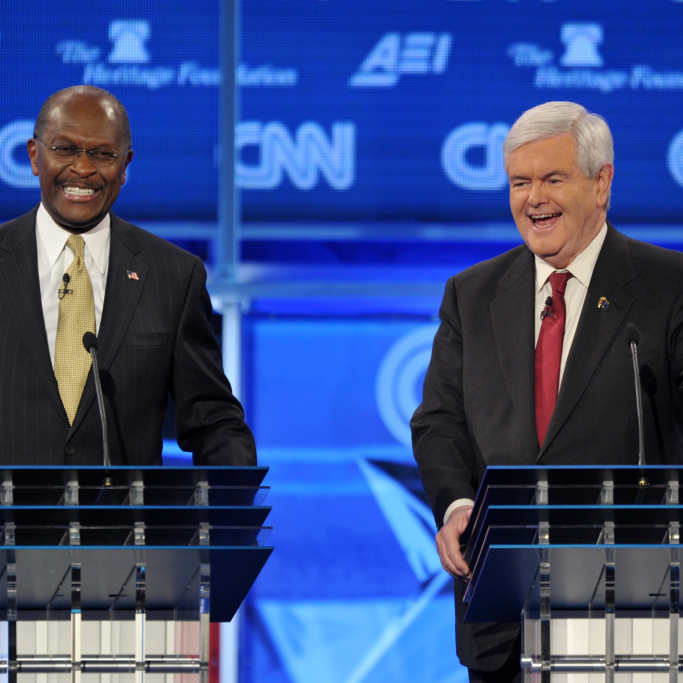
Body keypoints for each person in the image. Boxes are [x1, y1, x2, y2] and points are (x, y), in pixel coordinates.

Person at [411, 101, 683, 682]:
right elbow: (439, 421)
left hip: (630, 608)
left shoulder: (668, 288)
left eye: (553, 178)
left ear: (602, 182)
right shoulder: (472, 293)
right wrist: (458, 506)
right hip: (502, 620)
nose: (533, 198)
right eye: (519, 182)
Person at [0, 85, 256, 467]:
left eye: (102, 154)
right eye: (65, 149)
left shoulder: (173, 276)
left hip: (122, 526)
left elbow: (212, 420)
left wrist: (231, 513)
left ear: (125, 166)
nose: (83, 169)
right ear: (35, 156)